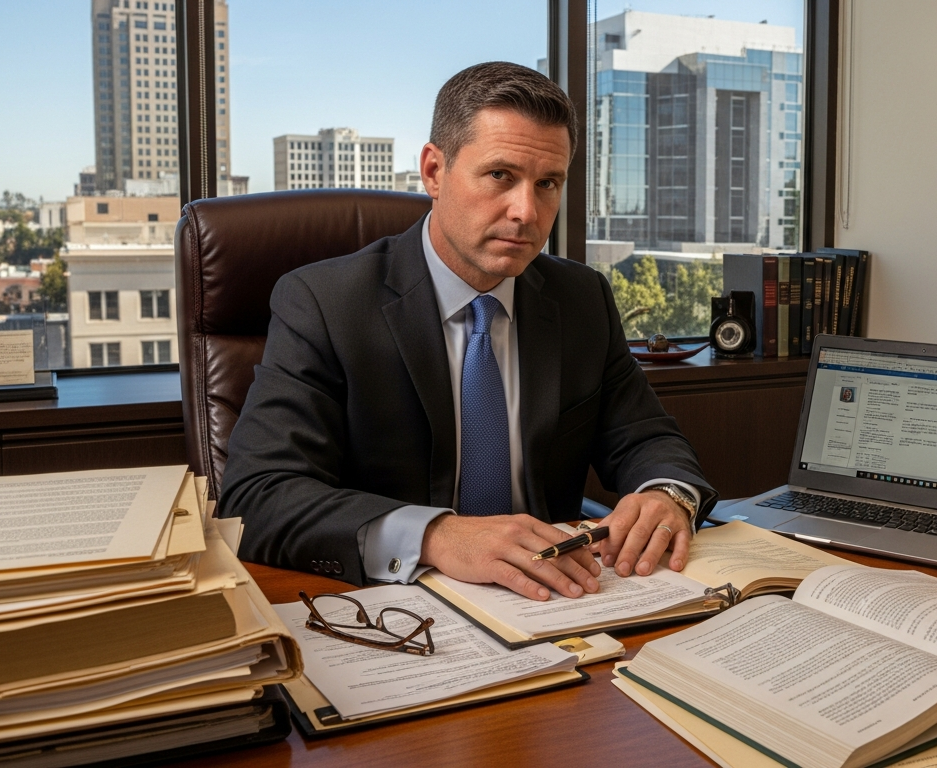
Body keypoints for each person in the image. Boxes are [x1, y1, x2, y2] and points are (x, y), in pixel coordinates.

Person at [219, 62, 715, 602]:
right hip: (399, 602)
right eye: (500, 175)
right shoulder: (325, 303)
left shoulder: (581, 298)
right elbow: (257, 496)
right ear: (434, 171)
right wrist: (435, 534)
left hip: (559, 600)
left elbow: (645, 438)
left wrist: (668, 494)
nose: (527, 211)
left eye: (548, 184)